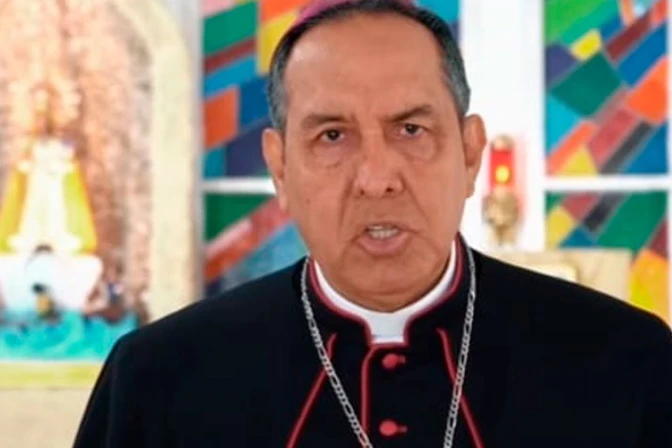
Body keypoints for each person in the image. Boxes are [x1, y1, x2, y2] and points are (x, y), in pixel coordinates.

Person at [74, 1, 672, 446]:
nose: (377, 178)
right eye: (333, 136)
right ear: (280, 169)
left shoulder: (626, 362)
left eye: (411, 129)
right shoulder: (156, 380)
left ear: (470, 154)